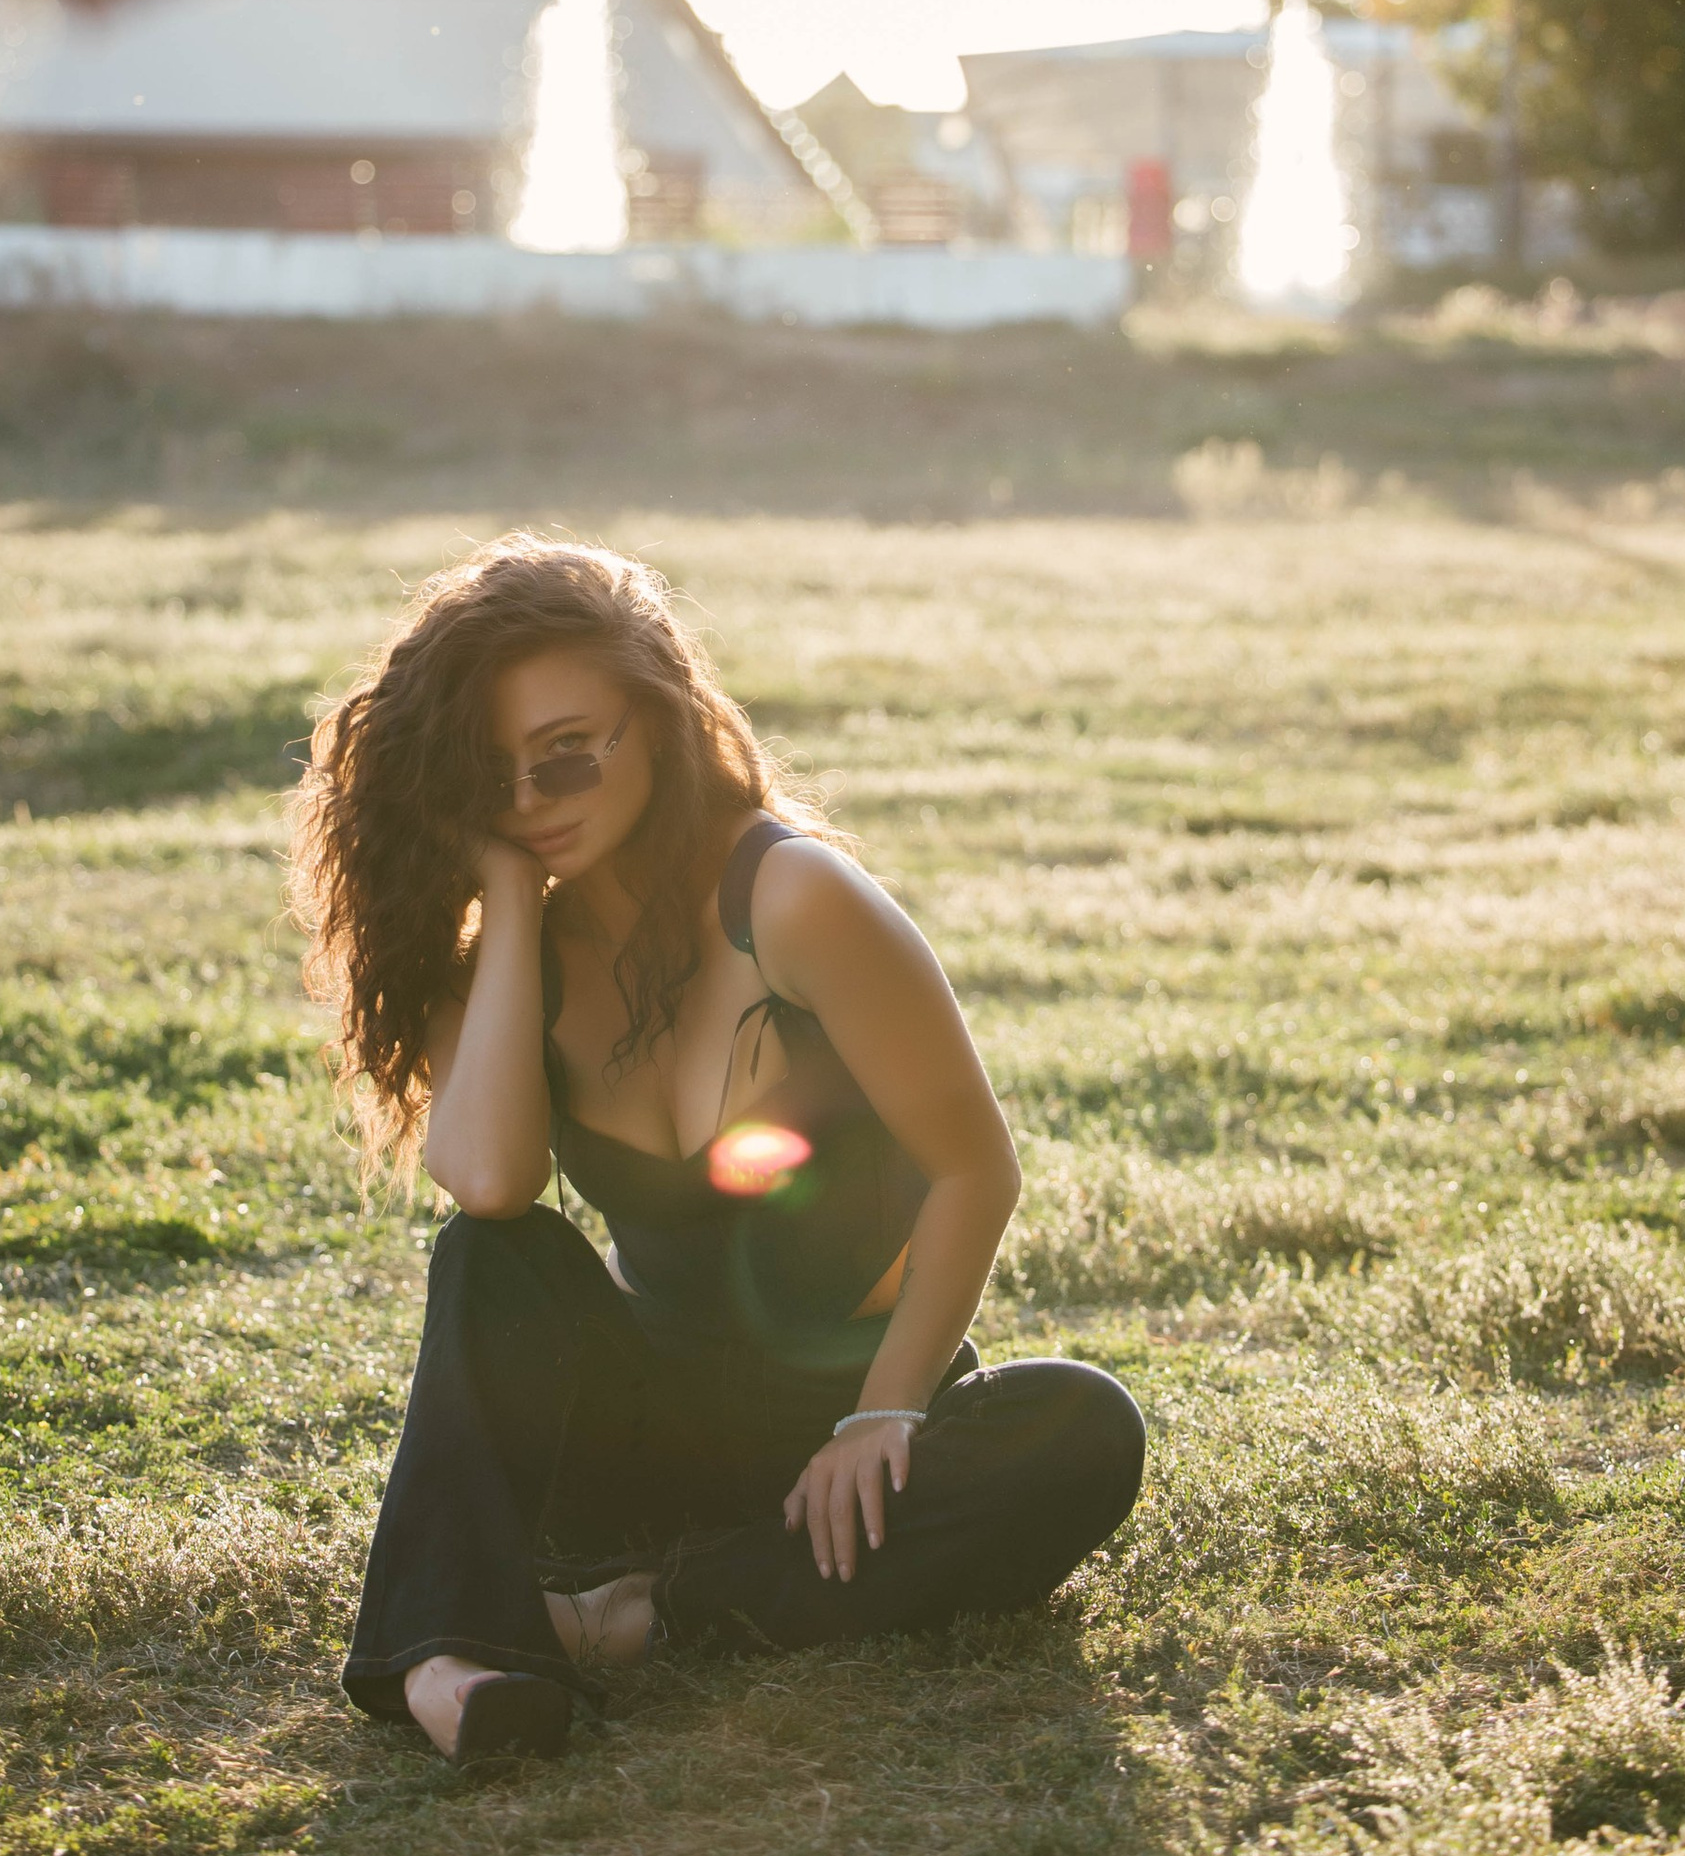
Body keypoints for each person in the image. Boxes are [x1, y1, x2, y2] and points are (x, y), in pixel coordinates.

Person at [290, 535, 1146, 1765]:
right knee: (491, 1258)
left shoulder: (792, 899)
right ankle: (445, 1668)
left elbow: (974, 1170)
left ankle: (635, 1614)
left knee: (1079, 1427)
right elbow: (490, 1184)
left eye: (568, 757)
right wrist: (510, 903)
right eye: (493, 779)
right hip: (647, 1432)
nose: (533, 804)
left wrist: (883, 1414)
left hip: (842, 1436)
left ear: (661, 718)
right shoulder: (503, 959)